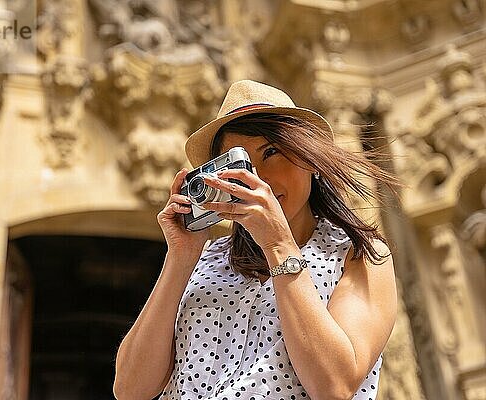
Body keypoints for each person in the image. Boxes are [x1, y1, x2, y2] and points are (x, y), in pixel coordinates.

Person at [113, 80, 398, 400]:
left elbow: (333, 386)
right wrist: (180, 257)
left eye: (271, 152)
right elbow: (130, 389)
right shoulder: (204, 260)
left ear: (311, 160)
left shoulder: (357, 256)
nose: (256, 177)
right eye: (238, 164)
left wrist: (278, 245)